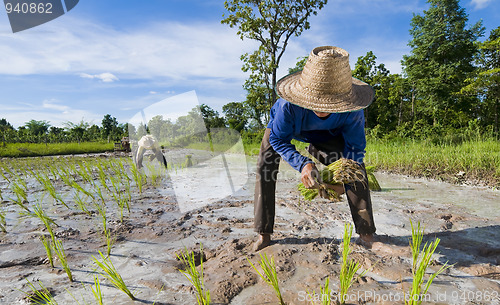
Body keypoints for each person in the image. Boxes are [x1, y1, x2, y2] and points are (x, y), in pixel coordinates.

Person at [254, 46, 377, 251]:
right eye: (317, 101)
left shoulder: (353, 111)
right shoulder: (288, 106)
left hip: (327, 133)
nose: (321, 108)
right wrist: (303, 164)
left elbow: (355, 151)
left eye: (330, 103)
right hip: (286, 129)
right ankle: (263, 232)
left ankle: (367, 235)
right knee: (265, 165)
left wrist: (341, 181)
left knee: (354, 168)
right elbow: (278, 139)